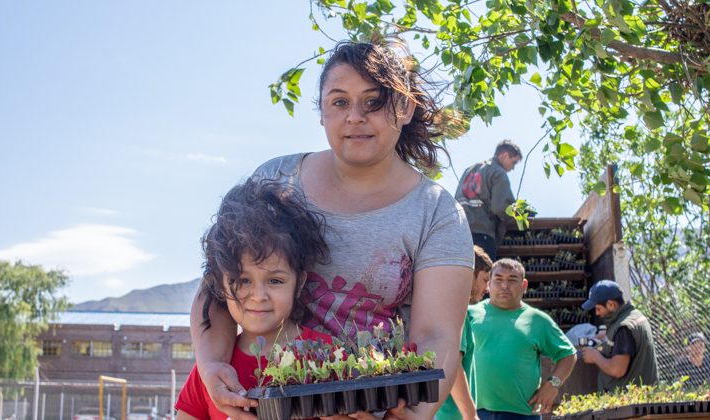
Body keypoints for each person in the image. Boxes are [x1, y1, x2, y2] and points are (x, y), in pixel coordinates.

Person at [190, 40, 475, 420]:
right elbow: (219, 285)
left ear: (404, 108)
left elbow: (436, 335)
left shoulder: (437, 212)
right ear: (322, 112)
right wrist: (211, 365)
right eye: (339, 102)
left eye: (373, 101)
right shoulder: (276, 179)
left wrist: (411, 417)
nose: (354, 117)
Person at [175, 179, 333, 420]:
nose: (259, 297)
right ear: (220, 284)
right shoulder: (209, 371)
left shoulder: (330, 357)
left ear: (299, 283)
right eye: (243, 280)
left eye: (275, 281)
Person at [468, 259, 576, 420]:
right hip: (473, 412)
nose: (505, 285)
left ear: (524, 285)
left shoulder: (537, 320)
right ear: (489, 283)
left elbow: (568, 355)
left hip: (522, 414)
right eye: (498, 279)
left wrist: (553, 384)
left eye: (512, 280)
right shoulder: (469, 314)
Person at [436, 246, 493, 420]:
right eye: (485, 279)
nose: (488, 288)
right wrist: (470, 415)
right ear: (470, 275)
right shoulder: (456, 310)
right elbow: (452, 365)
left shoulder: (444, 306)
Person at [580, 279, 658, 392]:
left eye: (598, 308)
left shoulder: (623, 327)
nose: (597, 313)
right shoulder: (634, 316)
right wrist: (606, 340)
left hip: (629, 402)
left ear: (611, 304)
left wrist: (595, 356)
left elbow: (617, 369)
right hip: (641, 398)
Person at [454, 140, 522, 260]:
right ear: (505, 155)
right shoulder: (498, 173)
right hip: (482, 235)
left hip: (459, 233)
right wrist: (518, 214)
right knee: (483, 276)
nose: (513, 168)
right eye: (514, 162)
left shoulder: (469, 170)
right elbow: (500, 207)